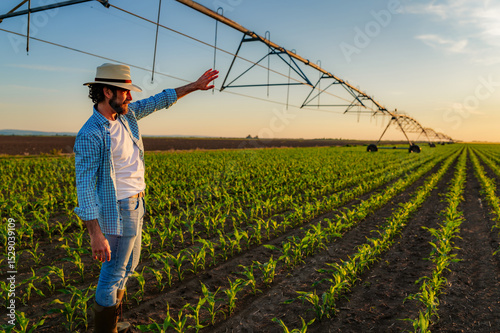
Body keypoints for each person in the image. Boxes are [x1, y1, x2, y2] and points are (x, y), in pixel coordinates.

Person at [74, 63, 218, 333]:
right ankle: (106, 330)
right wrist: (95, 233)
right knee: (113, 273)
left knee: (129, 266)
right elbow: (83, 188)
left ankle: (113, 321)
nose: (130, 97)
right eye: (125, 92)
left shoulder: (126, 117)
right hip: (117, 209)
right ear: (107, 92)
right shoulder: (90, 134)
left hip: (137, 203)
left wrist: (194, 86)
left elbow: (159, 100)